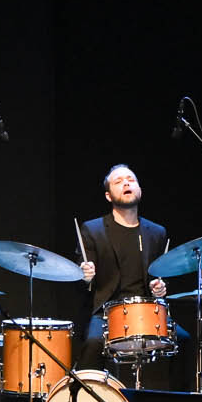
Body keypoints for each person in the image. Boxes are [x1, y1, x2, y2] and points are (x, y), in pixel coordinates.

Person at [75, 163, 178, 382]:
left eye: (131, 180)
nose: (126, 183)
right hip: (106, 312)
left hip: (146, 310)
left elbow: (161, 274)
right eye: (118, 181)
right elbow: (83, 277)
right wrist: (86, 276)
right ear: (108, 195)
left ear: (140, 189)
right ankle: (84, 395)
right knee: (93, 343)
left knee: (183, 340)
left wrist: (160, 287)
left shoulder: (157, 232)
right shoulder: (93, 230)